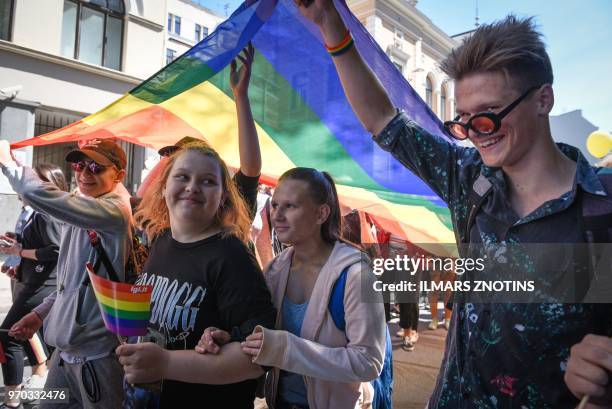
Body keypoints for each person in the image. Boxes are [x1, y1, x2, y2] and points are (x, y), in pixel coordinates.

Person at [295, 1, 611, 407]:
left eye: (489, 115)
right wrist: (331, 26)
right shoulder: (471, 181)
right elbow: (383, 122)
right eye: (463, 119)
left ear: (543, 100)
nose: (476, 133)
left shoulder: (600, 209)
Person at [115, 45, 277, 409]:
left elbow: (260, 353)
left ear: (224, 196)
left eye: (207, 181)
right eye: (182, 175)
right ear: (164, 184)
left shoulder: (229, 254)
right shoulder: (160, 240)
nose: (192, 186)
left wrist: (240, 98)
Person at [198, 167, 387, 409]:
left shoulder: (356, 275)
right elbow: (266, 337)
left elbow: (368, 362)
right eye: (275, 205)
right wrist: (231, 337)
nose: (277, 215)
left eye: (291, 206)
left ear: (321, 214)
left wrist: (287, 349)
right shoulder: (276, 269)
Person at [0, 138, 133, 409]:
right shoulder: (87, 207)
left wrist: (9, 163)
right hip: (63, 355)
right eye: (79, 164)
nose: (84, 173)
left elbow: (40, 195)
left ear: (118, 175)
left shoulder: (112, 210)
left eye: (96, 167)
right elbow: (70, 282)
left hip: (97, 357)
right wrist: (40, 314)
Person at [0, 164, 66, 409]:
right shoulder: (37, 211)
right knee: (45, 342)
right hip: (32, 280)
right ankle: (43, 389)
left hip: (44, 285)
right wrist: (15, 247)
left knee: (9, 336)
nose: (25, 187)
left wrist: (20, 251)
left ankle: (12, 401)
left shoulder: (47, 213)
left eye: (31, 181)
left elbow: (56, 249)